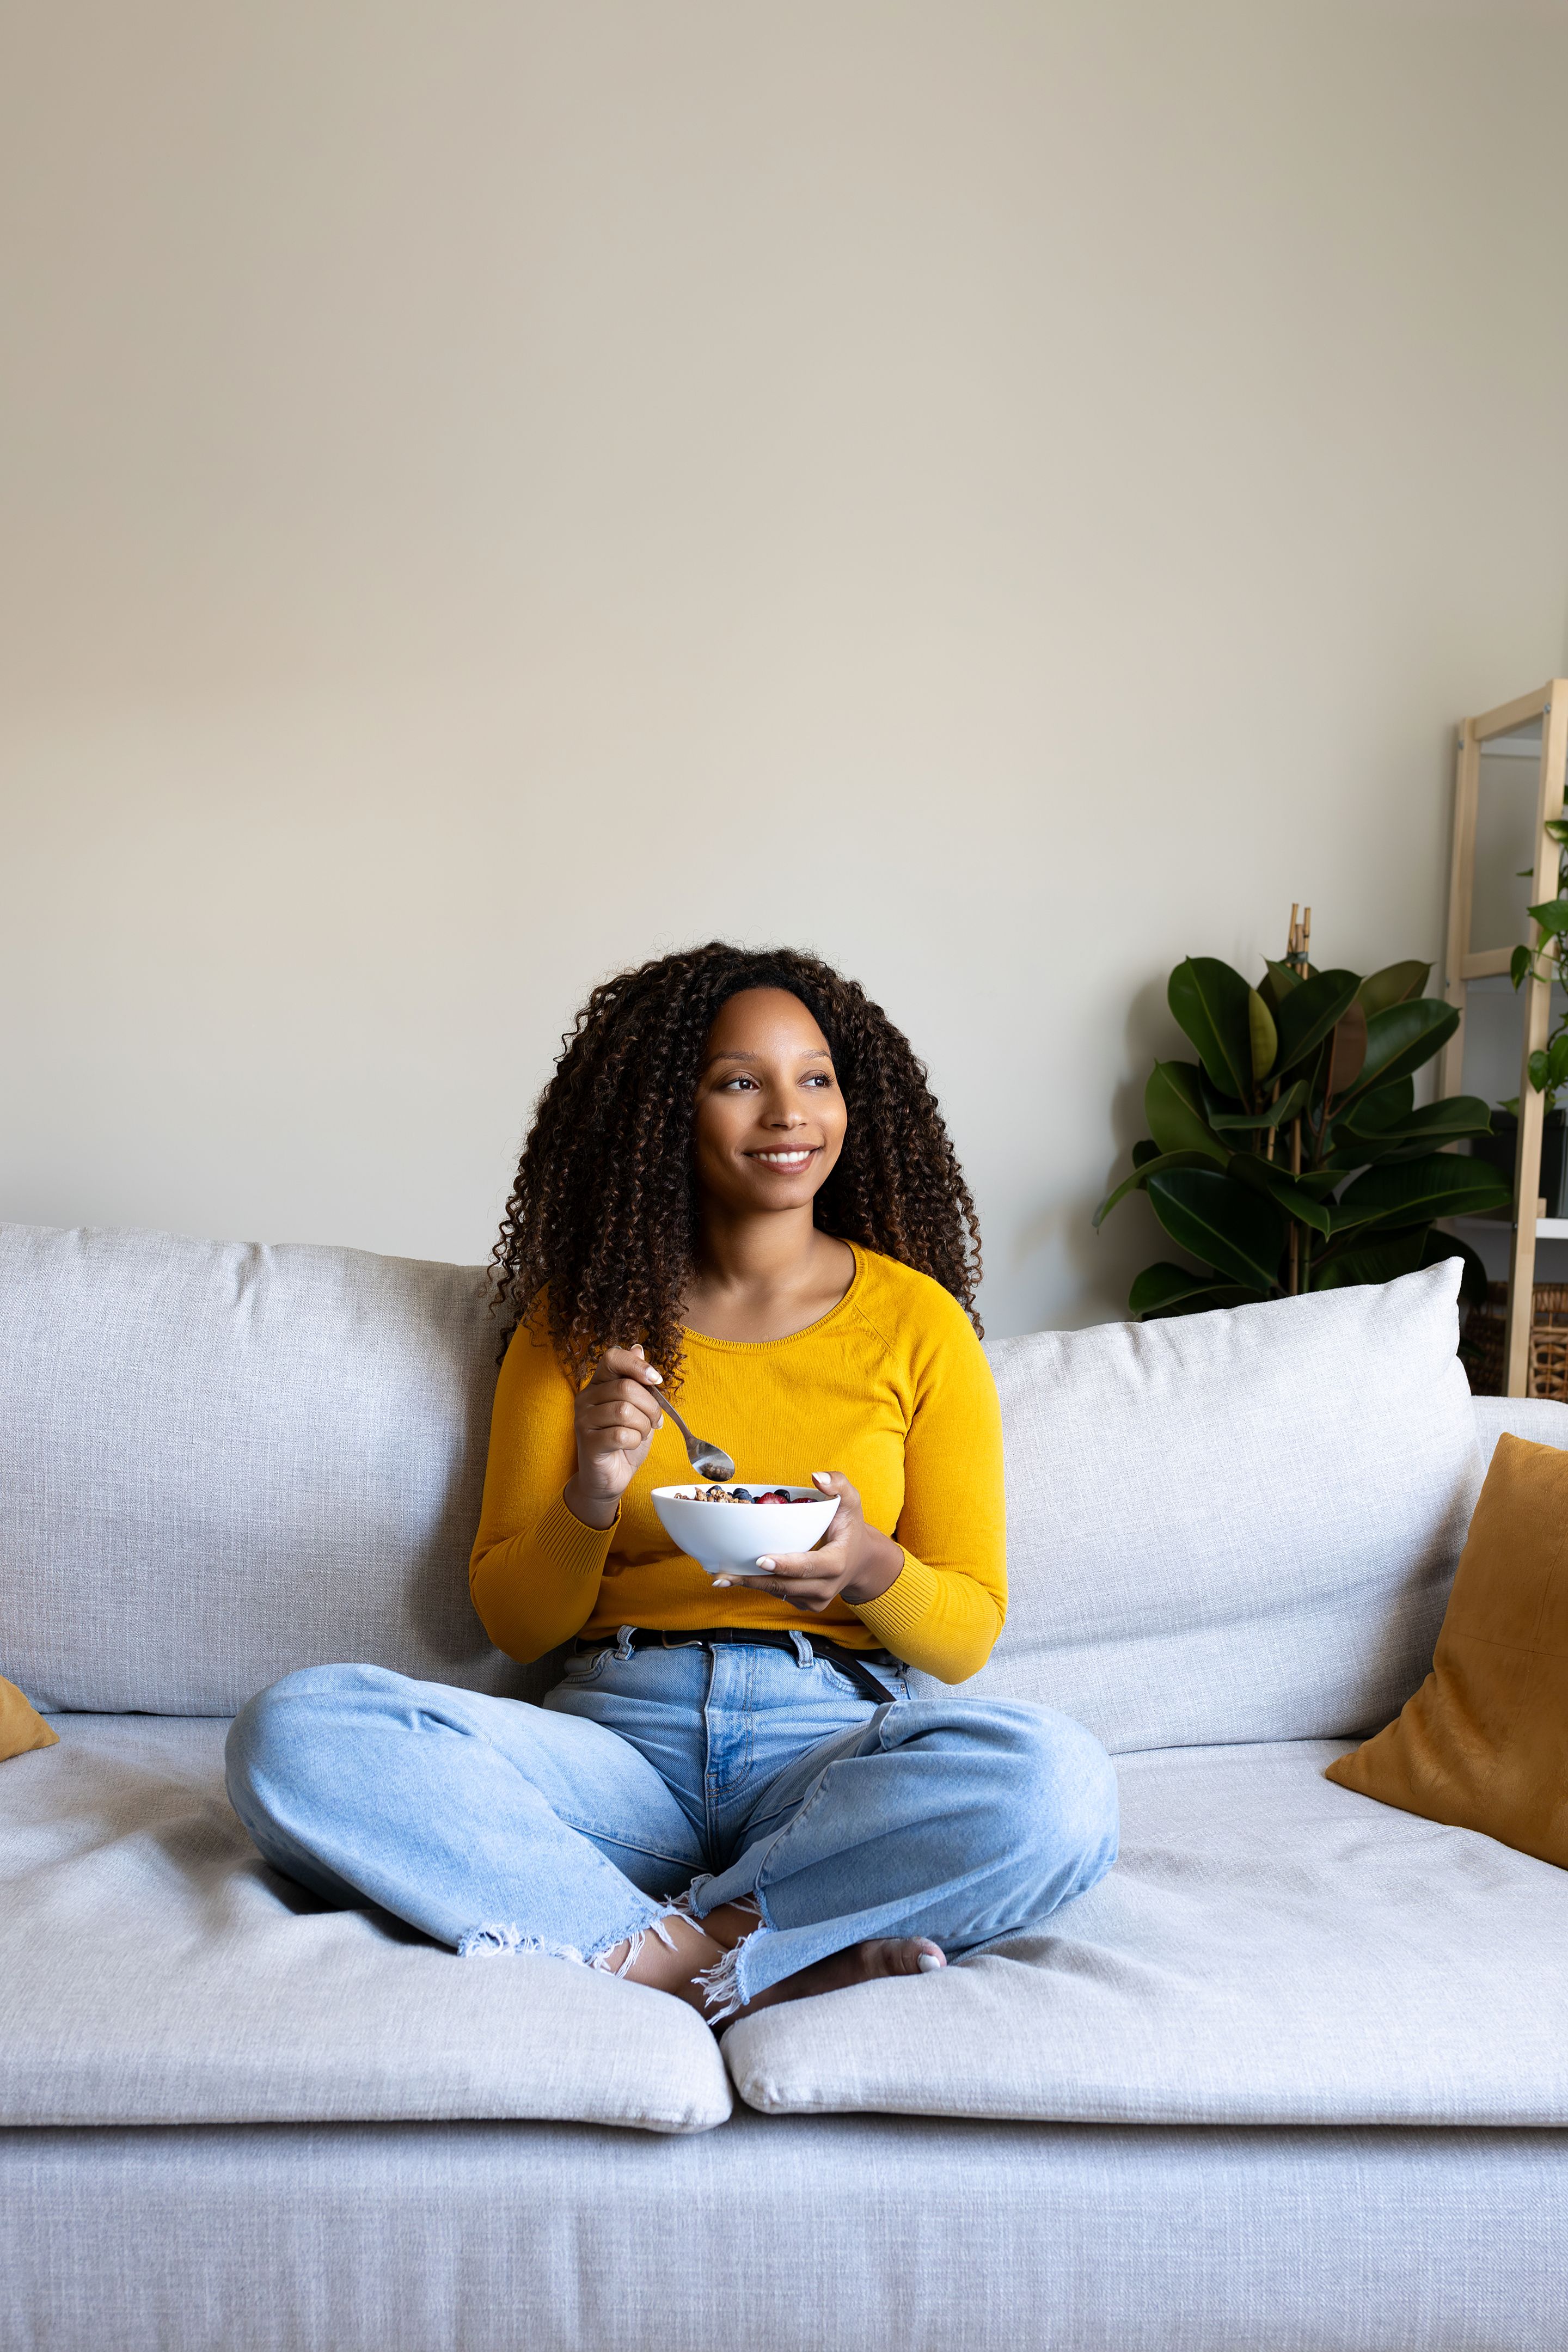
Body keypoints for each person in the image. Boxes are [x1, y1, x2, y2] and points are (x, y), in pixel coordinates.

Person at [226, 944, 1117, 2025]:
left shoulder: (919, 1323)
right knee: (297, 1729)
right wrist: (595, 1489)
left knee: (1058, 1786)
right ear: (666, 1115)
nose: (790, 1113)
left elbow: (967, 1634)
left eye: (816, 1077)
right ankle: (725, 1961)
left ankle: (666, 1942)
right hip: (617, 1743)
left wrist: (869, 1566)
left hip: (829, 1744)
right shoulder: (580, 1321)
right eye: (740, 1080)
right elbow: (511, 1623)